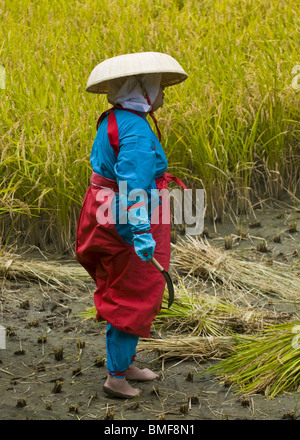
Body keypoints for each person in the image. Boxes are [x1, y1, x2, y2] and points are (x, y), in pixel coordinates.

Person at [76, 52, 188, 398]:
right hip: (126, 217)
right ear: (142, 88)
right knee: (134, 290)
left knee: (123, 283)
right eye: (158, 88)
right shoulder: (137, 131)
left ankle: (125, 364)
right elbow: (133, 187)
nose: (163, 95)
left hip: (103, 209)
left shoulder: (115, 117)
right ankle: (116, 378)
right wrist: (140, 232)